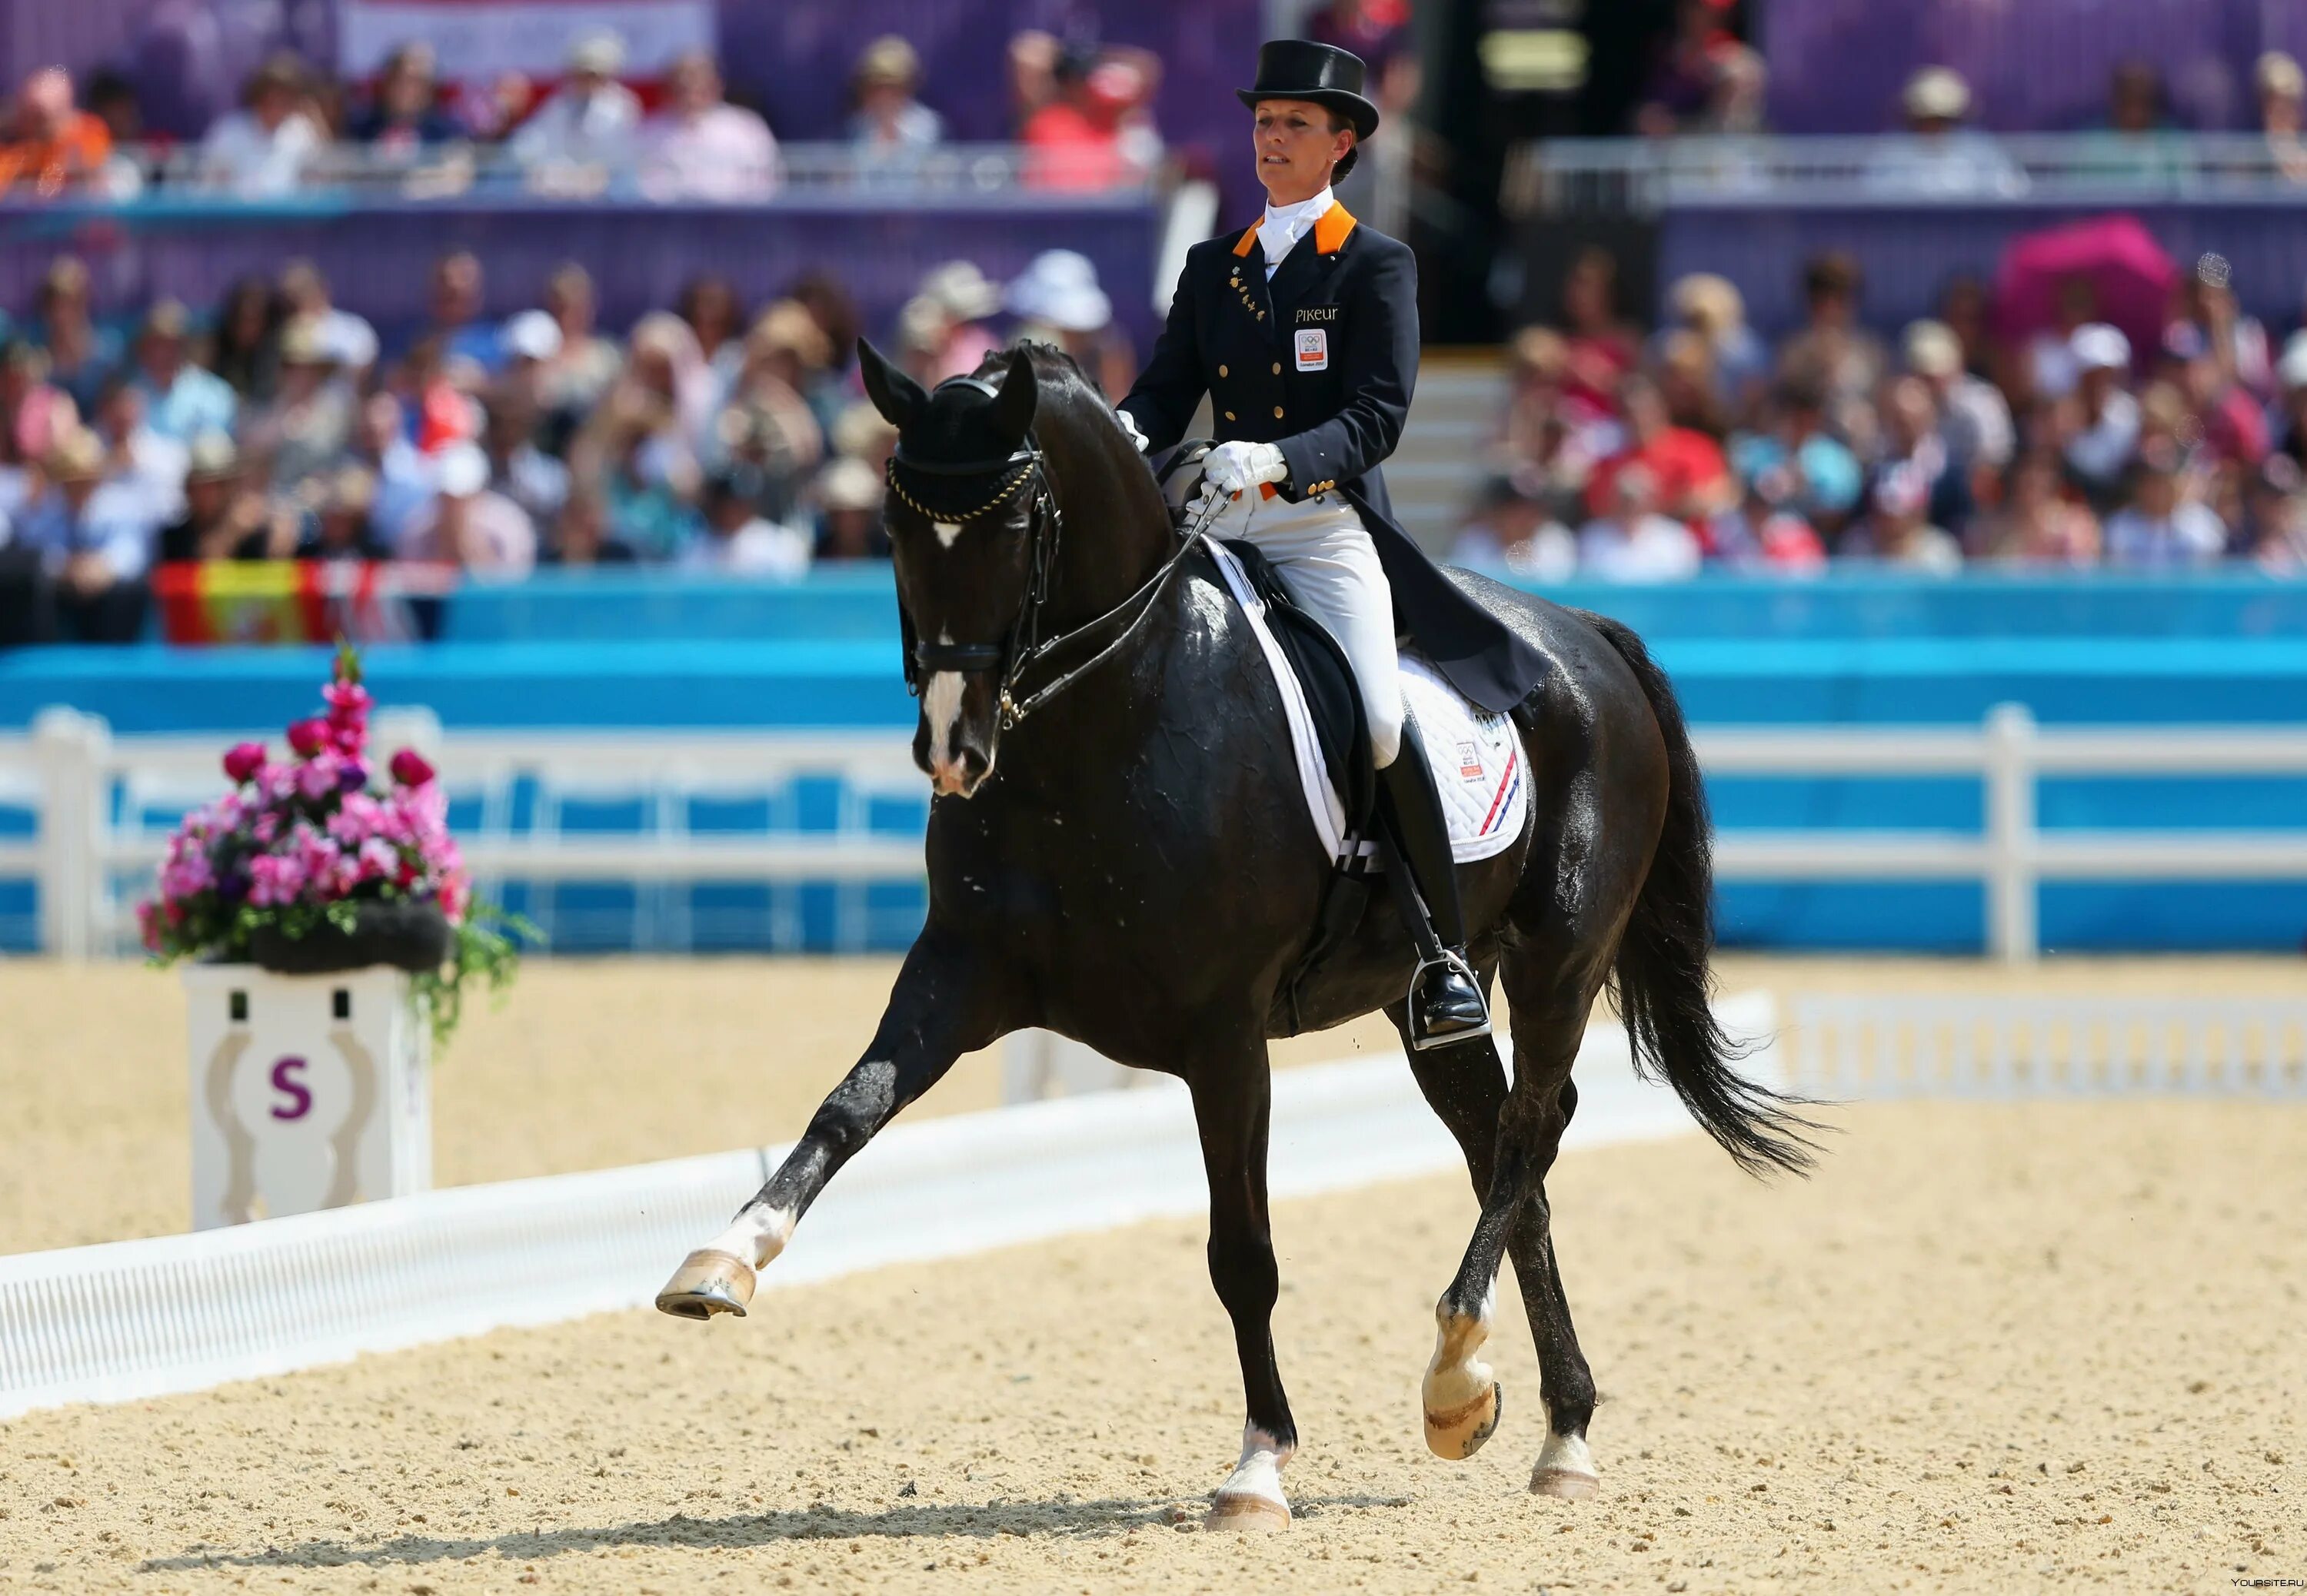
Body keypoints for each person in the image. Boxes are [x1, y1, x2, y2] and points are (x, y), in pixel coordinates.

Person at [1115, 39, 1545, 1047]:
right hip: (1219, 519)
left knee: (1383, 717)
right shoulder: (1211, 267)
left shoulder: (1375, 264)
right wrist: (1120, 432)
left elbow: (1378, 416)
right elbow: (1165, 392)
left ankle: (1440, 954)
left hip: (1322, 526)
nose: (1272, 139)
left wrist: (1269, 459)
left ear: (1341, 143)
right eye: (1264, 123)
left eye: (1294, 125)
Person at [13, 428, 153, 639]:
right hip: (65, 597)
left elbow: (133, 554)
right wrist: (67, 568)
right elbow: (37, 552)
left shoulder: (120, 505)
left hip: (109, 600)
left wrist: (104, 568)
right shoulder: (49, 511)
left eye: (84, 479)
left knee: (130, 590)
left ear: (97, 479)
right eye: (71, 480)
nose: (78, 487)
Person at [1863, 67, 2026, 199]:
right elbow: (1871, 194)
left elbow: (2013, 191)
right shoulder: (1892, 153)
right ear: (1911, 120)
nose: (1934, 128)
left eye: (1942, 120)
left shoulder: (1980, 151)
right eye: (1925, 121)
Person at [511, 31, 641, 191]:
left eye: (594, 75)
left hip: (609, 190)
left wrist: (592, 175)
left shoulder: (623, 107)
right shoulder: (560, 103)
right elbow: (531, 145)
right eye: (581, 73)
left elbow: (620, 158)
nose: (587, 81)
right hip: (564, 188)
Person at [638, 52, 777, 201]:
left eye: (699, 88)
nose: (691, 97)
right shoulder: (649, 130)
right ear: (668, 90)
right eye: (682, 89)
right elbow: (641, 183)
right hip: (669, 220)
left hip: (734, 217)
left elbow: (767, 179)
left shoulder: (745, 127)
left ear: (716, 87)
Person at [399, 441, 536, 574]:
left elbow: (514, 585)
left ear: (479, 492)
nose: (454, 504)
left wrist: (473, 549)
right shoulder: (417, 528)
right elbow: (410, 584)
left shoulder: (510, 525)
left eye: (463, 497)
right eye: (446, 497)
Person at [195, 55, 321, 198]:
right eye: (271, 101)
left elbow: (315, 188)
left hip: (290, 217)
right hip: (236, 216)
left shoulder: (303, 132)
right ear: (257, 99)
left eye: (284, 102)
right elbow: (207, 187)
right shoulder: (228, 131)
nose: (277, 108)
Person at [2103, 442, 2227, 567]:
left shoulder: (2205, 525)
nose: (2159, 491)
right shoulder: (2119, 527)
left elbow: (2207, 572)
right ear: (2139, 487)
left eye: (2165, 482)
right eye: (2152, 483)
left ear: (2179, 483)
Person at [129, 302, 238, 444]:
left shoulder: (215, 394)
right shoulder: (128, 396)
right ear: (144, 348)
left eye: (172, 345)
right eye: (157, 344)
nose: (163, 354)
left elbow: (217, 452)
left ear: (185, 346)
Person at [30, 256, 123, 415]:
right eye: (55, 306)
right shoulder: (36, 361)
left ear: (84, 304)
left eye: (71, 304)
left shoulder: (108, 352)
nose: (61, 315)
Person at [1576, 464, 1703, 580]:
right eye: (1625, 500)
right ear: (1613, 501)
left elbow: (1685, 589)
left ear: (1652, 501)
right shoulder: (1592, 537)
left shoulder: (1675, 539)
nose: (1632, 507)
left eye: (1639, 500)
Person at [0, 68, 113, 195]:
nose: (33, 124)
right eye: (28, 114)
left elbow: (89, 176)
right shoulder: (16, 145)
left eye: (40, 117)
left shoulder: (89, 133)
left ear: (64, 109)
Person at [682, 467, 811, 577]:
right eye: (725, 503)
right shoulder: (698, 546)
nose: (731, 510)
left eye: (737, 503)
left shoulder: (779, 543)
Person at [348, 42, 464, 155]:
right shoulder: (360, 130)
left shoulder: (448, 134)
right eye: (399, 80)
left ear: (430, 89)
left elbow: (458, 165)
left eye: (416, 82)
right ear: (386, 84)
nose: (406, 90)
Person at [848, 35, 944, 157]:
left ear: (907, 89)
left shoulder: (929, 128)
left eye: (892, 88)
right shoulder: (853, 130)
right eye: (876, 88)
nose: (884, 96)